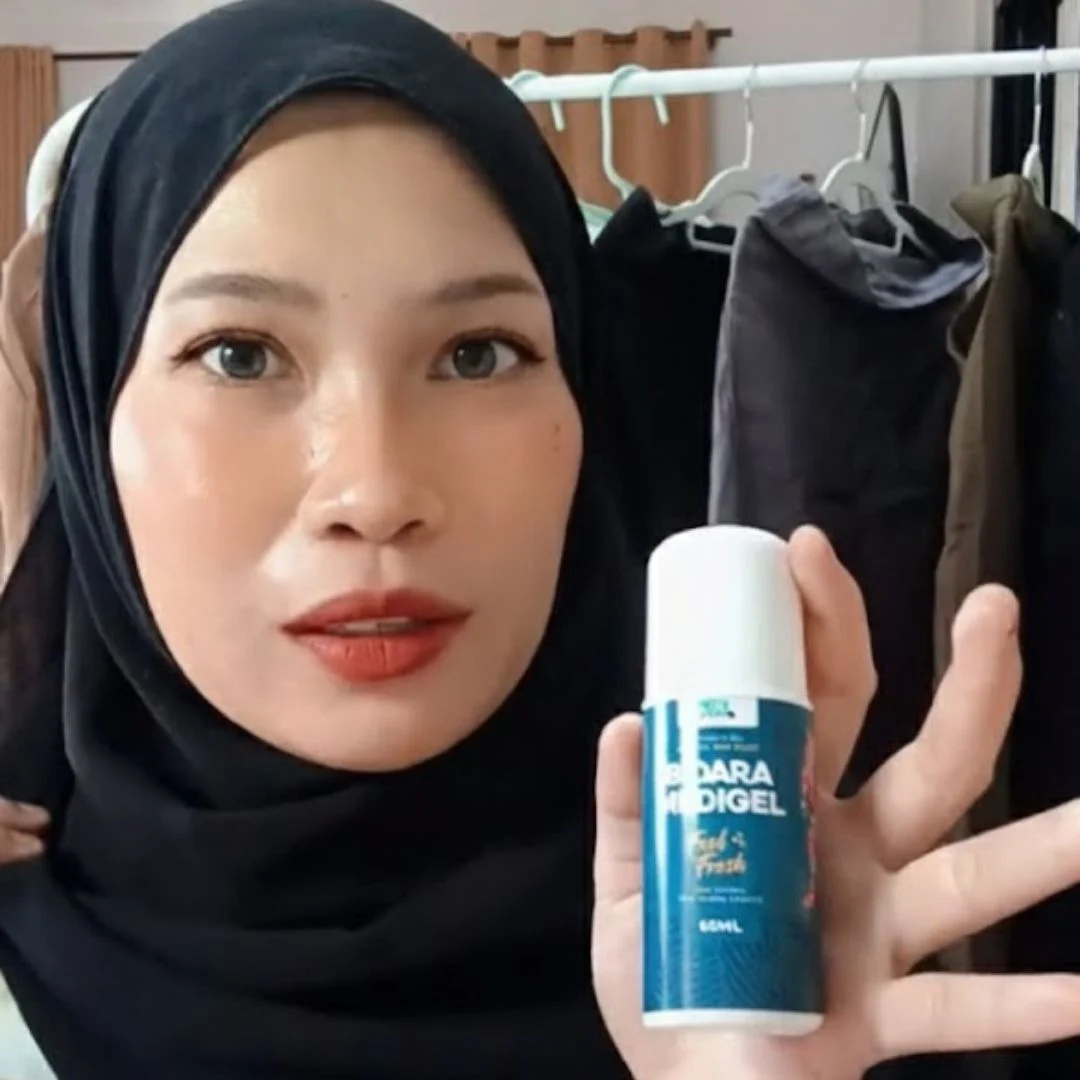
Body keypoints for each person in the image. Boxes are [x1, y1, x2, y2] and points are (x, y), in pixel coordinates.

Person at [0, 2, 1079, 1078]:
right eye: (239, 355)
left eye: (478, 353)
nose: (376, 491)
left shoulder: (781, 941)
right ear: (93, 422)